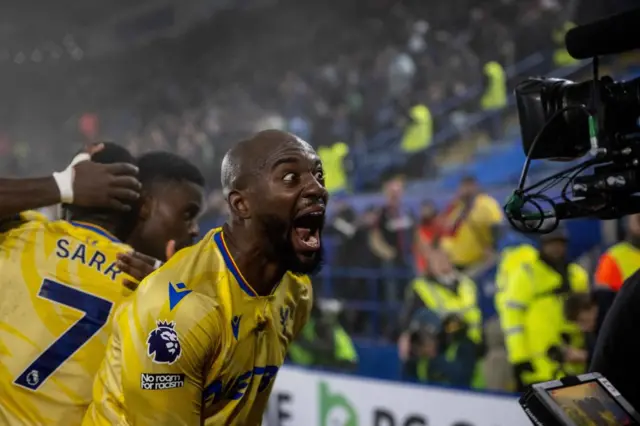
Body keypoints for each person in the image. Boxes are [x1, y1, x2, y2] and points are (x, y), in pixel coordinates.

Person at [83, 130, 327, 425]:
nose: (317, 189)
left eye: (318, 175)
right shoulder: (176, 311)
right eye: (290, 178)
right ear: (241, 205)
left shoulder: (296, 292)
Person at [0, 145, 206, 425]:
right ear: (140, 207)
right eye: (188, 215)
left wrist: (61, 184)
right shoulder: (150, 292)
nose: (195, 230)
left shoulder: (21, 233)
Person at [500, 228, 589, 392]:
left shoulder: (578, 275)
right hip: (537, 364)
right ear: (542, 245)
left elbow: (586, 318)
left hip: (573, 363)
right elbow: (512, 318)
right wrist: (519, 357)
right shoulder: (527, 273)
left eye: (560, 243)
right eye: (551, 243)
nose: (555, 248)